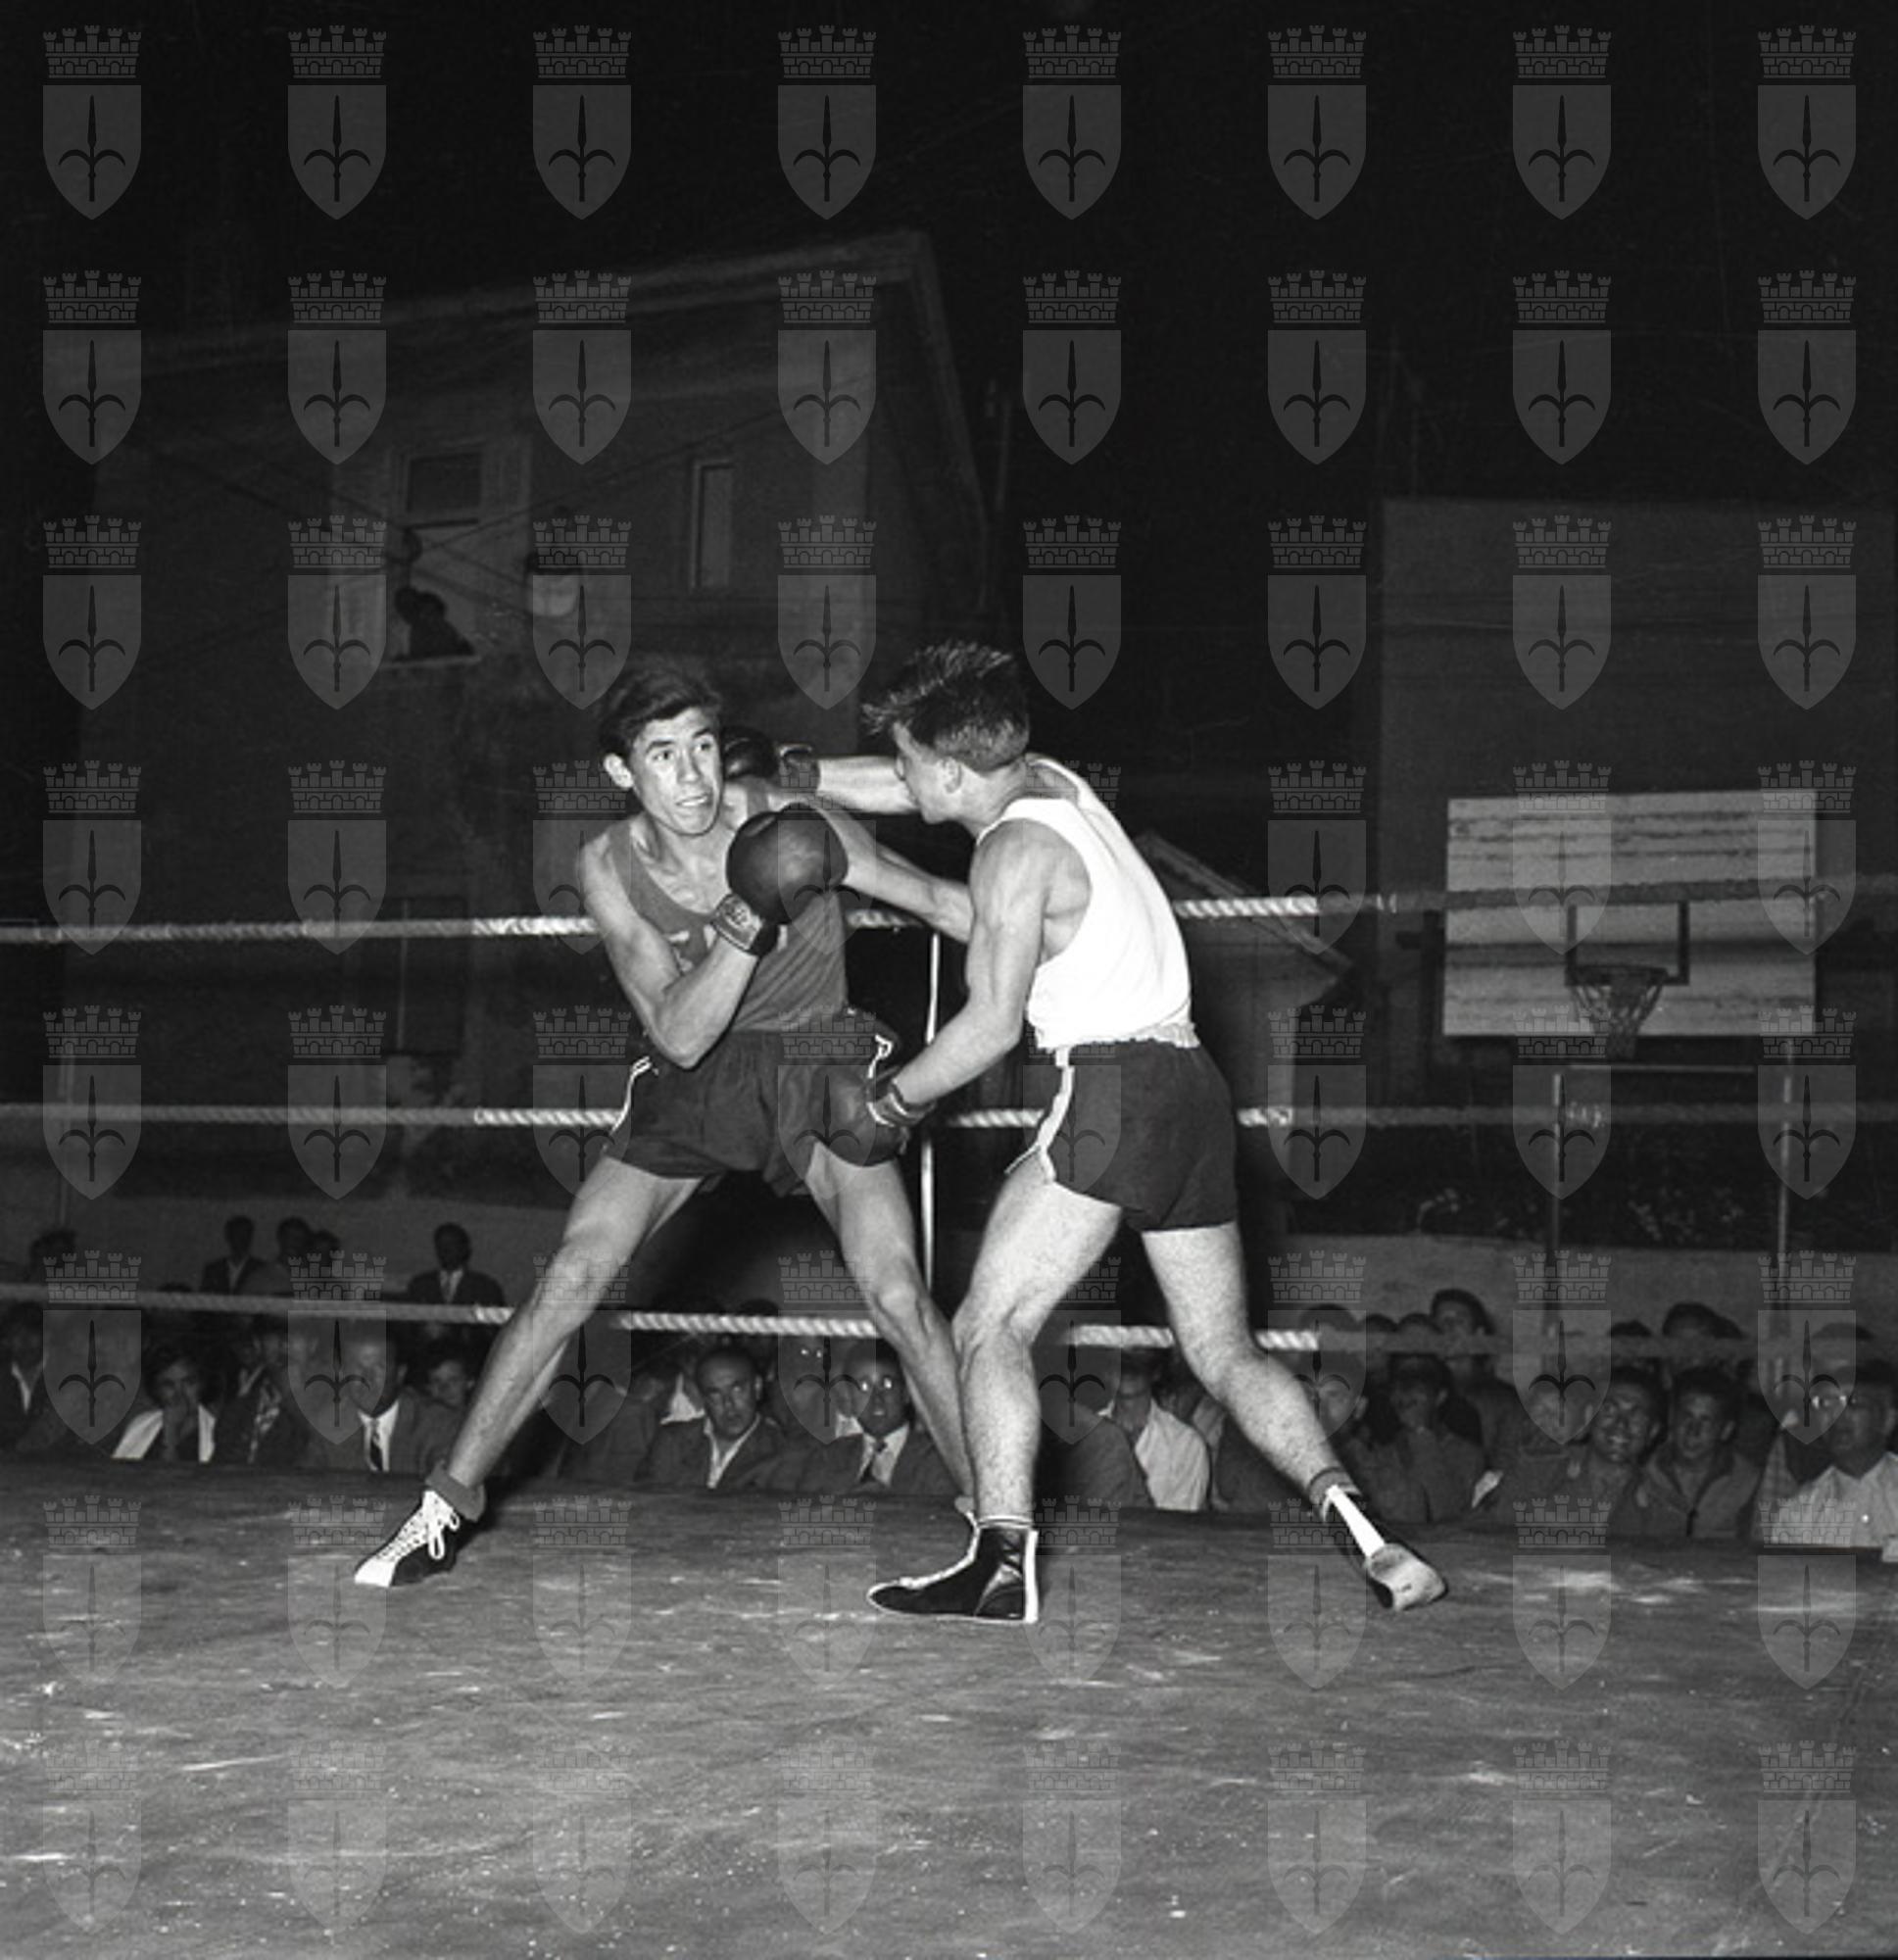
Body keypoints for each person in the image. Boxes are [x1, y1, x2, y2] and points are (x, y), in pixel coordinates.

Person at [814, 642, 1445, 1621]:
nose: (895, 777)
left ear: (949, 771)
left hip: (1110, 1090)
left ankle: (999, 1562)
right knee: (1223, 1350)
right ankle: (1370, 1536)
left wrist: (891, 1102)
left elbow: (989, 1026)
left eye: (906, 761)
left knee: (989, 1326)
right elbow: (940, 853)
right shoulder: (1051, 783)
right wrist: (805, 782)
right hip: (1193, 1090)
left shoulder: (1009, 854)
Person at [355, 664, 974, 1587]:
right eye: (662, 756)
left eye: (703, 749)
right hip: (698, 1077)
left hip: (817, 1060)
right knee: (572, 1274)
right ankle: (442, 1509)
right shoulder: (607, 867)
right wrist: (746, 915)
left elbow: (940, 901)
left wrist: (1062, 941)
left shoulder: (796, 823)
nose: (691, 778)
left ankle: (997, 1521)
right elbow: (679, 1036)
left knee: (896, 1295)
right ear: (621, 772)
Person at [1765, 1357, 1898, 1551]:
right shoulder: (1798, 1512)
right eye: (1825, 1404)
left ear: (1887, 1420)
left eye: (1853, 1403)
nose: (1837, 1415)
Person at [303, 1320, 459, 1478]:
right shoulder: (326, 1428)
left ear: (400, 1373)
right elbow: (306, 1485)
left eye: (379, 1368)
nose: (367, 1379)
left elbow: (449, 1487)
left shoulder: (437, 1424)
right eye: (357, 1368)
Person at [634, 1346, 788, 1491]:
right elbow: (645, 1501)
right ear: (703, 1398)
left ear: (757, 1387)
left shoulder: (781, 1452)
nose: (728, 1404)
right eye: (715, 1394)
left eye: (737, 1390)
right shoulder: (672, 1441)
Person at [1633, 1367, 1760, 1540]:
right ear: (1671, 1418)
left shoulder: (1748, 1482)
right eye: (1687, 1417)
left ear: (1726, 1430)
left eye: (1706, 1422)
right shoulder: (1642, 1473)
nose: (1693, 1431)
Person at [112, 1344, 218, 1463]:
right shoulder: (141, 1425)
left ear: (202, 1384)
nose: (179, 1395)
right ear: (156, 1390)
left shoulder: (218, 1432)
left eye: (189, 1382)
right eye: (169, 1385)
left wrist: (170, 1439)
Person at [200, 1215, 264, 1296]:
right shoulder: (213, 1270)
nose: (242, 1240)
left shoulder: (260, 1269)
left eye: (246, 1235)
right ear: (229, 1237)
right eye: (238, 1235)